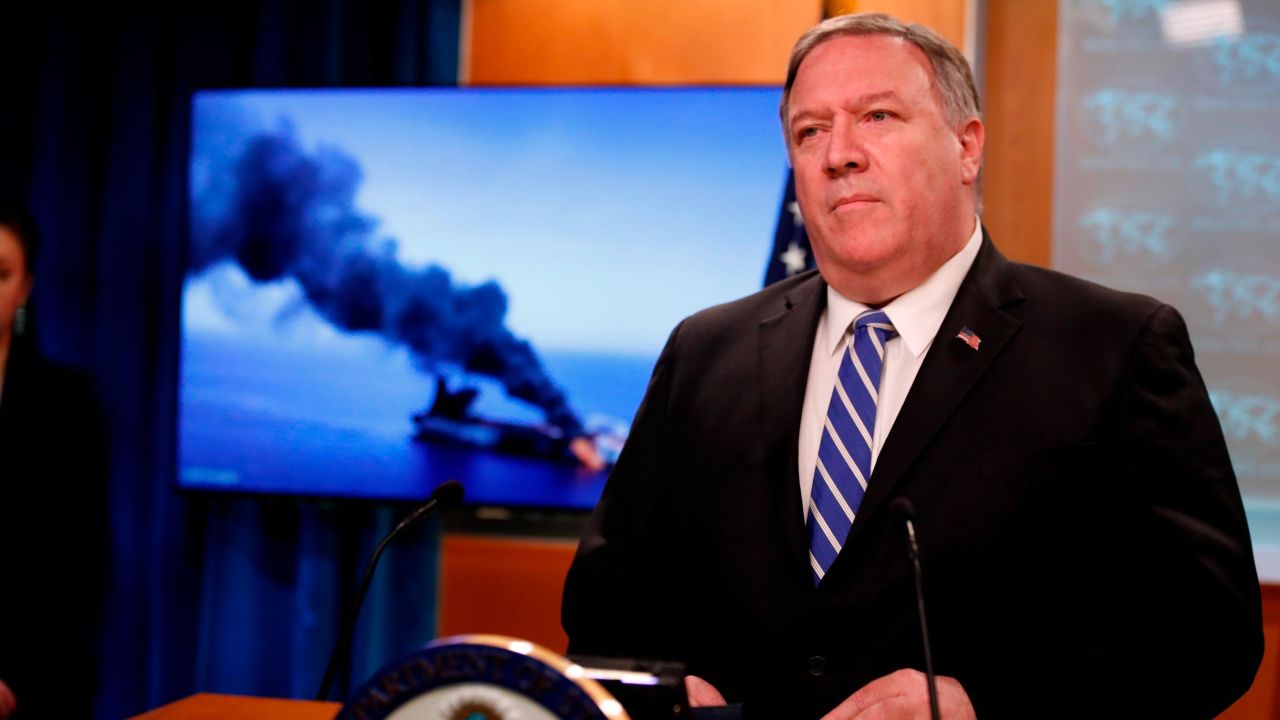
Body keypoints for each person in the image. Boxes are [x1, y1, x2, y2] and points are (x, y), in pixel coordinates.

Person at [561, 13, 1263, 719]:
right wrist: (656, 687)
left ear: (967, 146)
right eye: (810, 132)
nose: (840, 154)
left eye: (877, 115)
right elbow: (607, 597)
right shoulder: (706, 351)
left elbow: (1208, 633)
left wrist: (979, 706)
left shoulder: (1115, 347)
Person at [0, 200, 108, 719]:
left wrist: (16, 682)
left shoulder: (67, 402)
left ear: (25, 289)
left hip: (35, 683)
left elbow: (80, 563)